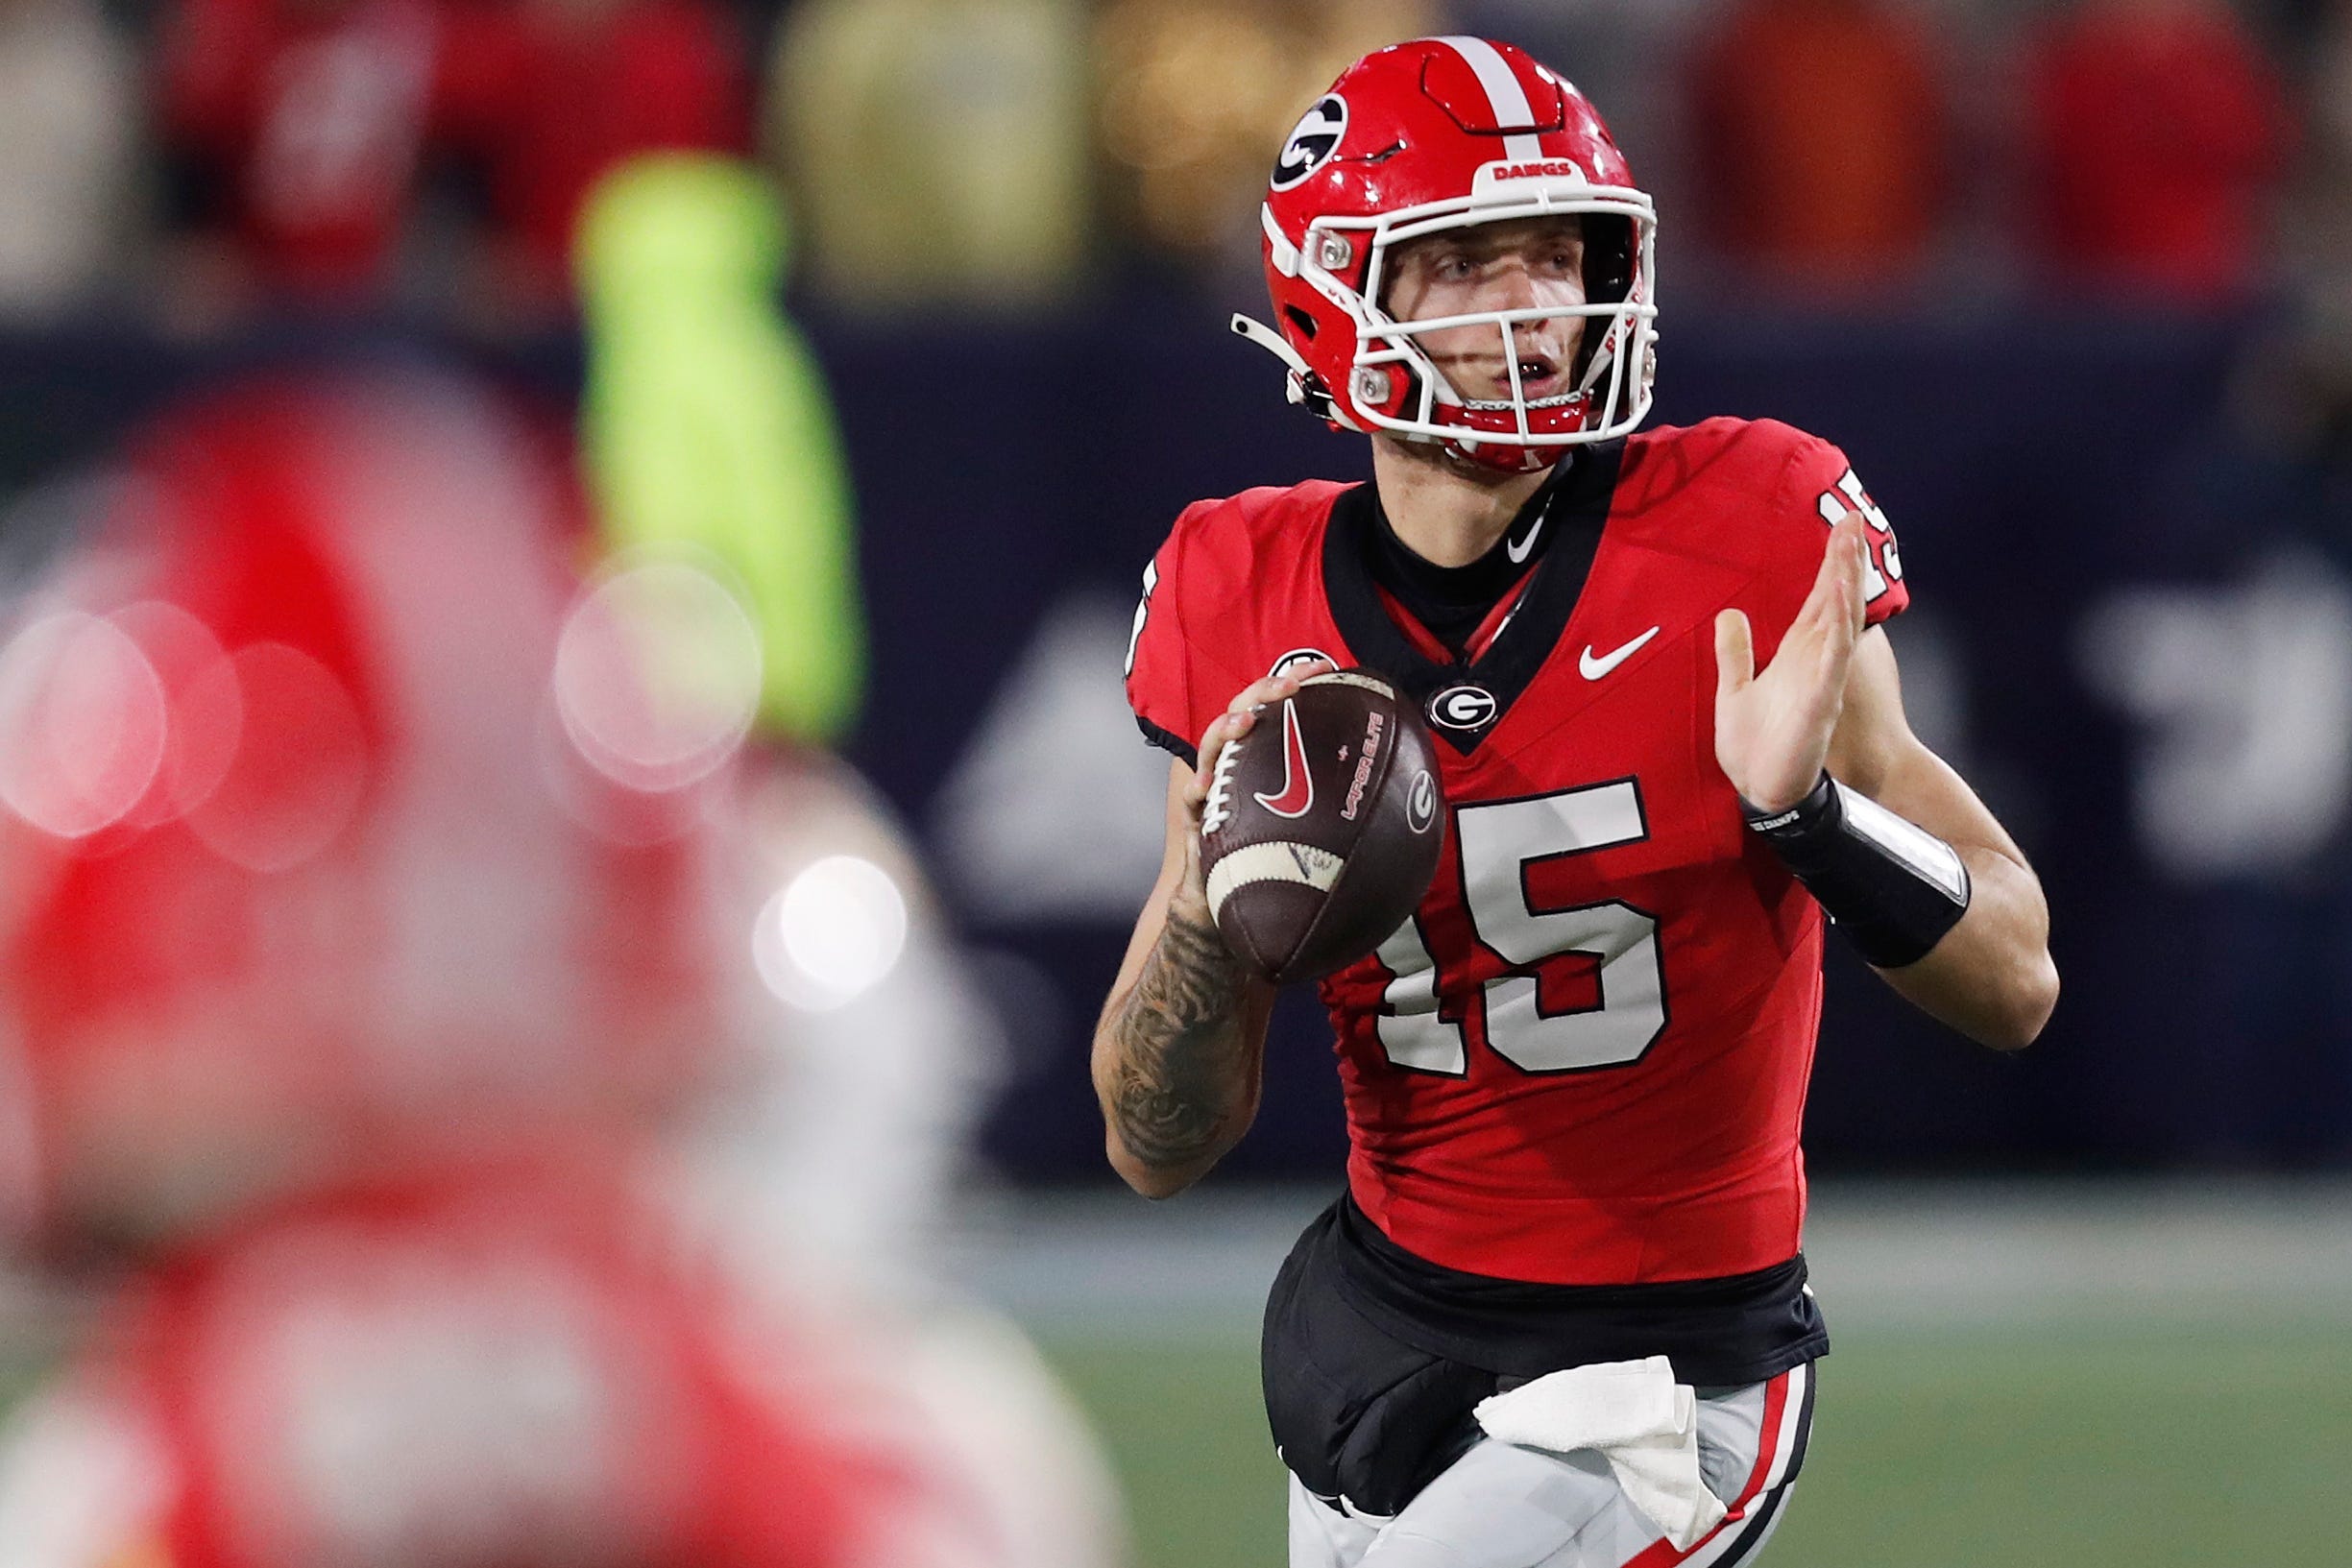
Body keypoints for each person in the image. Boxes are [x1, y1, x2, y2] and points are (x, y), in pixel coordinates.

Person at [1098, 36, 2057, 1568]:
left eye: (1562, 254)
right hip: (1384, 1325)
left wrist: (1809, 816)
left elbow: (2015, 975)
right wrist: (1221, 914)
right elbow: (1154, 1139)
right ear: (1333, 286)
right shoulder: (1237, 582)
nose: (1535, 305)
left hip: (1664, 1376)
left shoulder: (1746, 522)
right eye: (1468, 261)